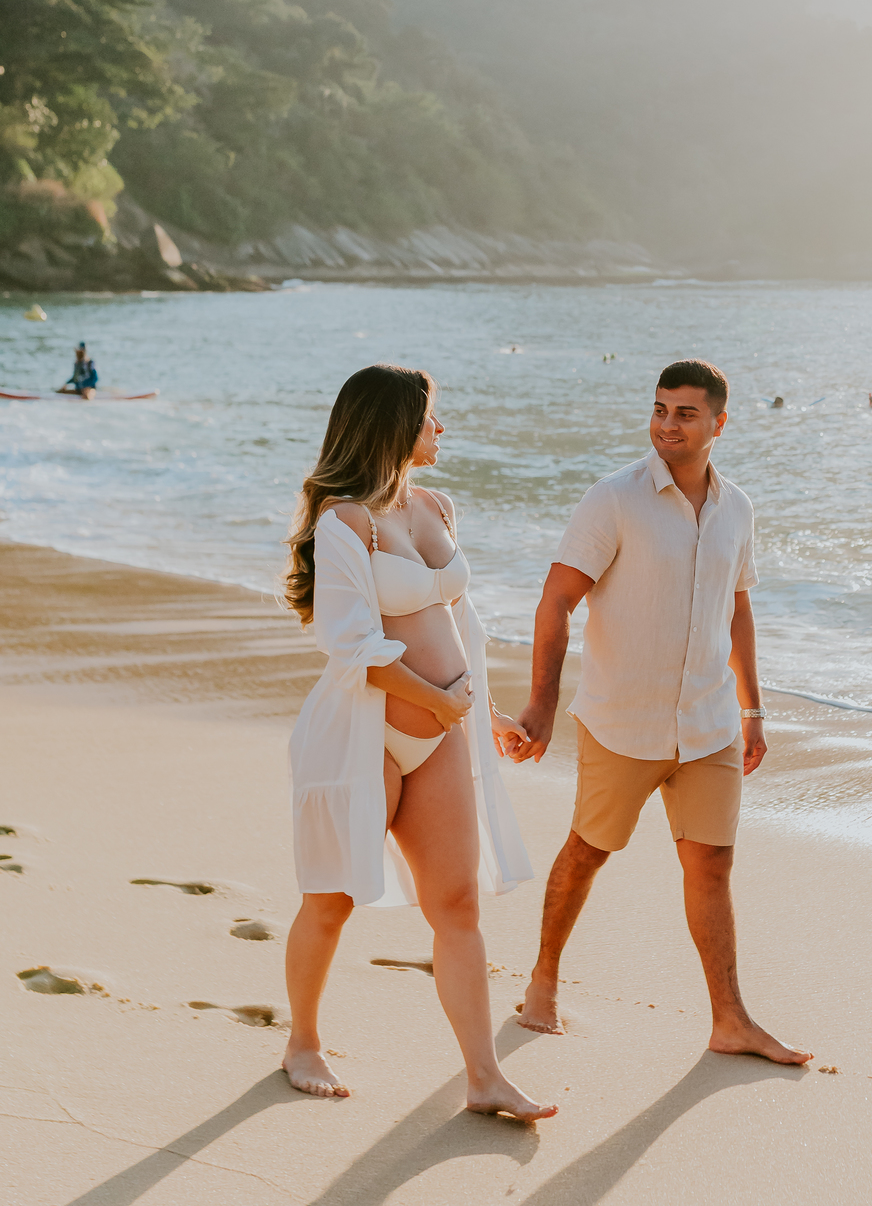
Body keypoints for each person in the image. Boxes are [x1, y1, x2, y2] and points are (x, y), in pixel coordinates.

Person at [512, 358, 813, 1066]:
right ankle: (542, 981)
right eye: (659, 409)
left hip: (709, 724)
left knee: (711, 866)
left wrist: (753, 710)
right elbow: (556, 601)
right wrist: (541, 705)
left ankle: (730, 1020)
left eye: (684, 413)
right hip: (623, 720)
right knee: (589, 850)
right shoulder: (614, 499)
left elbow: (738, 609)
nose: (666, 425)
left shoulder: (737, 509)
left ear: (719, 423)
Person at [281, 363, 556, 1120]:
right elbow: (352, 645)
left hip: (441, 737)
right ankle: (302, 1042)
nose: (441, 427)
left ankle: (484, 1077)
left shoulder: (437, 505)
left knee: (457, 903)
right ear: (395, 425)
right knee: (331, 901)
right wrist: (437, 699)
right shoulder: (345, 521)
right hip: (361, 738)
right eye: (431, 415)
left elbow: (460, 626)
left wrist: (483, 712)